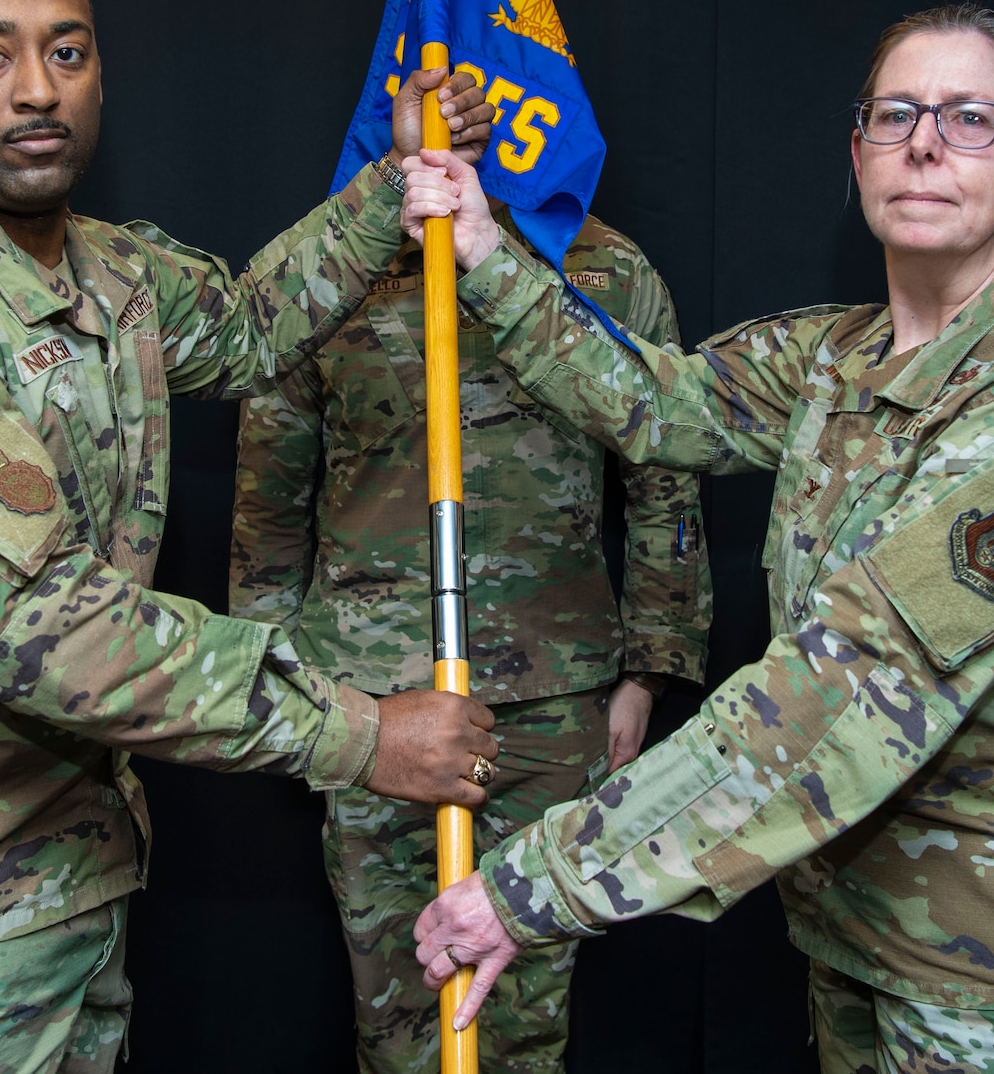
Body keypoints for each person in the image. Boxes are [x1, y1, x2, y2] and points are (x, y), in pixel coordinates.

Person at [0, 0, 504, 1074]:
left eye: (68, 52)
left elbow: (245, 328)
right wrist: (359, 732)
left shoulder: (101, 269)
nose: (37, 89)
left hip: (62, 889)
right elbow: (48, 632)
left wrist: (394, 180)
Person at [401, 4, 994, 1073]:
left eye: (973, 117)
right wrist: (482, 250)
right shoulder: (843, 353)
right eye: (895, 114)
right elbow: (661, 404)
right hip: (868, 947)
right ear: (857, 151)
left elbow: (834, 696)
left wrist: (534, 885)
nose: (925, 142)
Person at [230, 196, 712, 1071]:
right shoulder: (335, 262)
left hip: (555, 696)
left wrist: (650, 670)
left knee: (526, 1014)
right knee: (398, 1011)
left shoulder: (606, 269)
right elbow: (269, 493)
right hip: (373, 706)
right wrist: (278, 697)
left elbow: (664, 480)